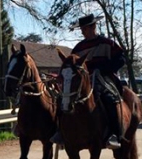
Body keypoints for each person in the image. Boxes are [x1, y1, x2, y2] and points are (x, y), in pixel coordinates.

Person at [51, 13, 126, 150]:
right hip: (82, 80)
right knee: (64, 99)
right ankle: (61, 132)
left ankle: (114, 134)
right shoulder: (78, 48)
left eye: (85, 29)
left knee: (109, 99)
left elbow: (121, 59)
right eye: (82, 29)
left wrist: (104, 69)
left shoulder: (107, 43)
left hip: (103, 78)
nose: (83, 32)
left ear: (94, 27)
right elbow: (70, 65)